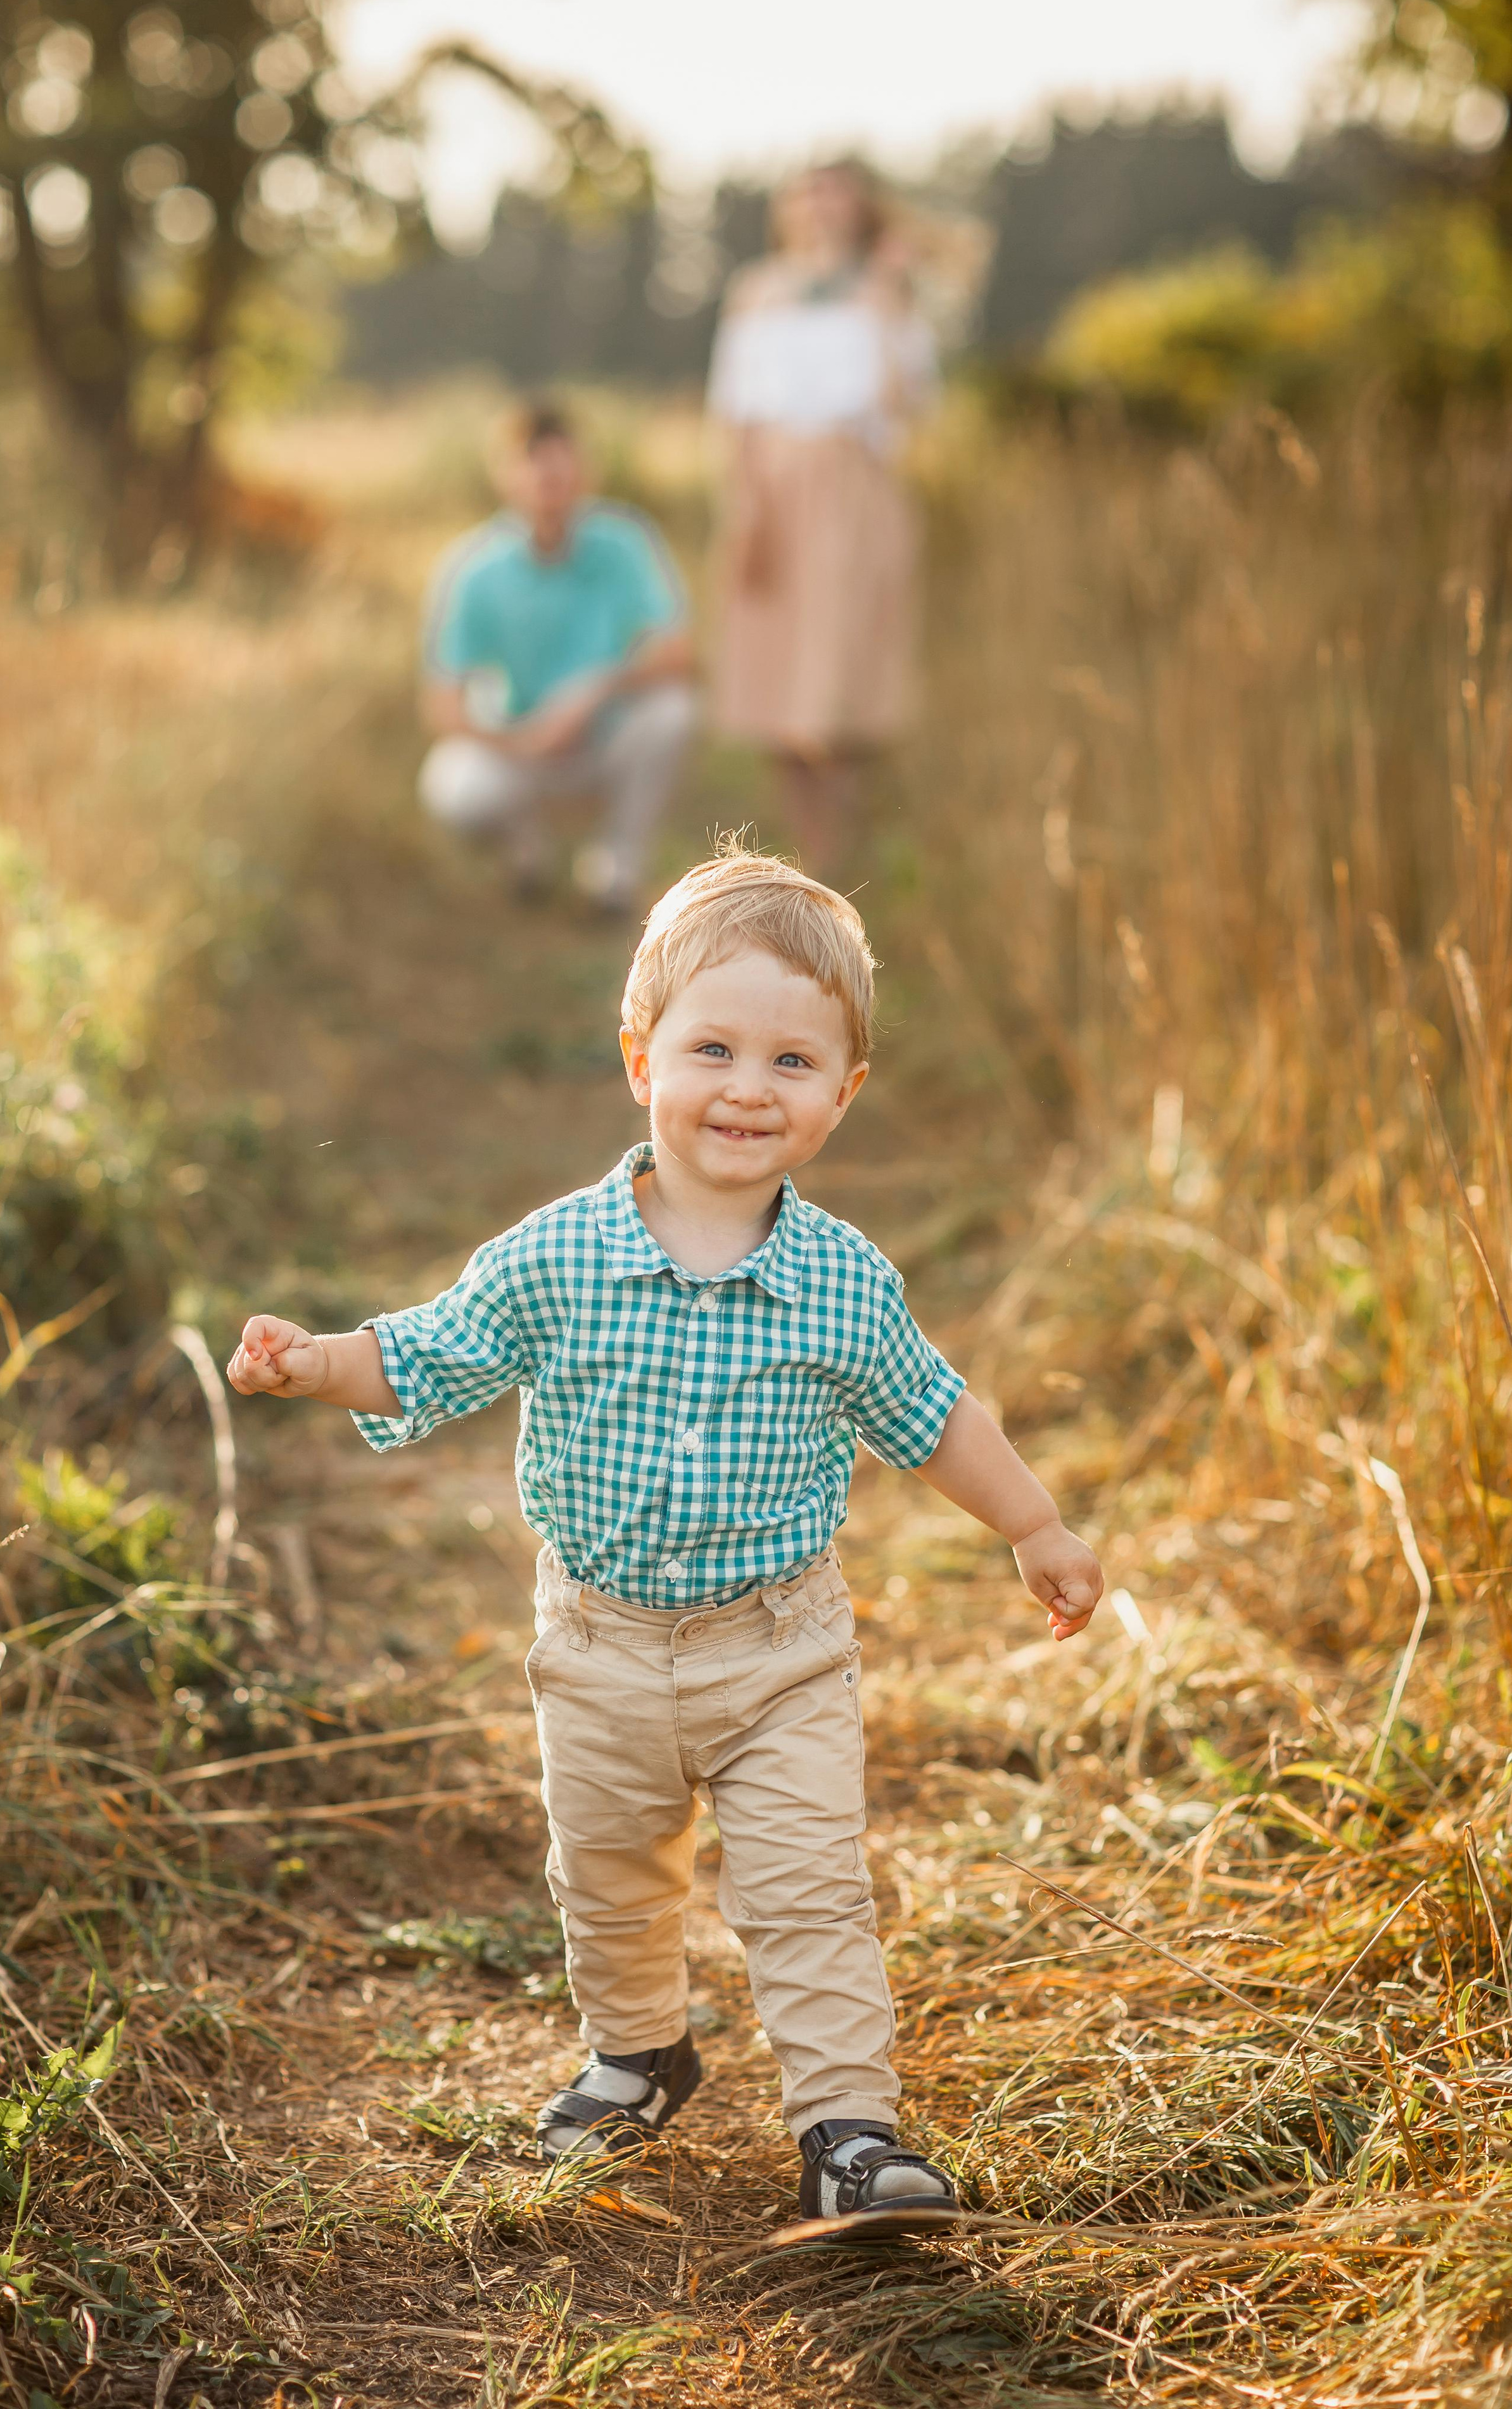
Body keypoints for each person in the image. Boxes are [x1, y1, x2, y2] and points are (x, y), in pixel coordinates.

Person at [226, 850, 1103, 2237]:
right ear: (640, 1058)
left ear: (842, 1092)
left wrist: (1034, 1524)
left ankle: (848, 2132)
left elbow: (933, 1416)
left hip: (780, 1651)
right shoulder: (559, 1256)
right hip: (598, 1648)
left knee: (807, 1893)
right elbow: (433, 1355)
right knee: (612, 1877)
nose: (748, 1087)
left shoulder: (841, 1281)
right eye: (712, 1048)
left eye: (792, 1060)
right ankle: (639, 2052)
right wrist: (315, 1362)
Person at [708, 161, 937, 879]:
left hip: (850, 487)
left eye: (836, 189)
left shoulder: (883, 290)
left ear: (862, 203)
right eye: (808, 189)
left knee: (837, 673)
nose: (820, 204)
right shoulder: (757, 291)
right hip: (772, 487)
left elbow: (905, 403)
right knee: (777, 672)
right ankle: (803, 847)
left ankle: (837, 856)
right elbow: (734, 408)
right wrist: (744, 505)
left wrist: (891, 298)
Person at [419, 402, 699, 912]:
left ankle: (618, 864)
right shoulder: (472, 567)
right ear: (506, 476)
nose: (552, 480)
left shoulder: (625, 542)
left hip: (606, 732)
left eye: (564, 465)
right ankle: (526, 845)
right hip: (517, 740)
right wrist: (520, 742)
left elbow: (680, 653)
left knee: (674, 712)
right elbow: (442, 704)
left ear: (586, 471)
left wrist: (597, 687)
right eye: (535, 465)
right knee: (452, 787)